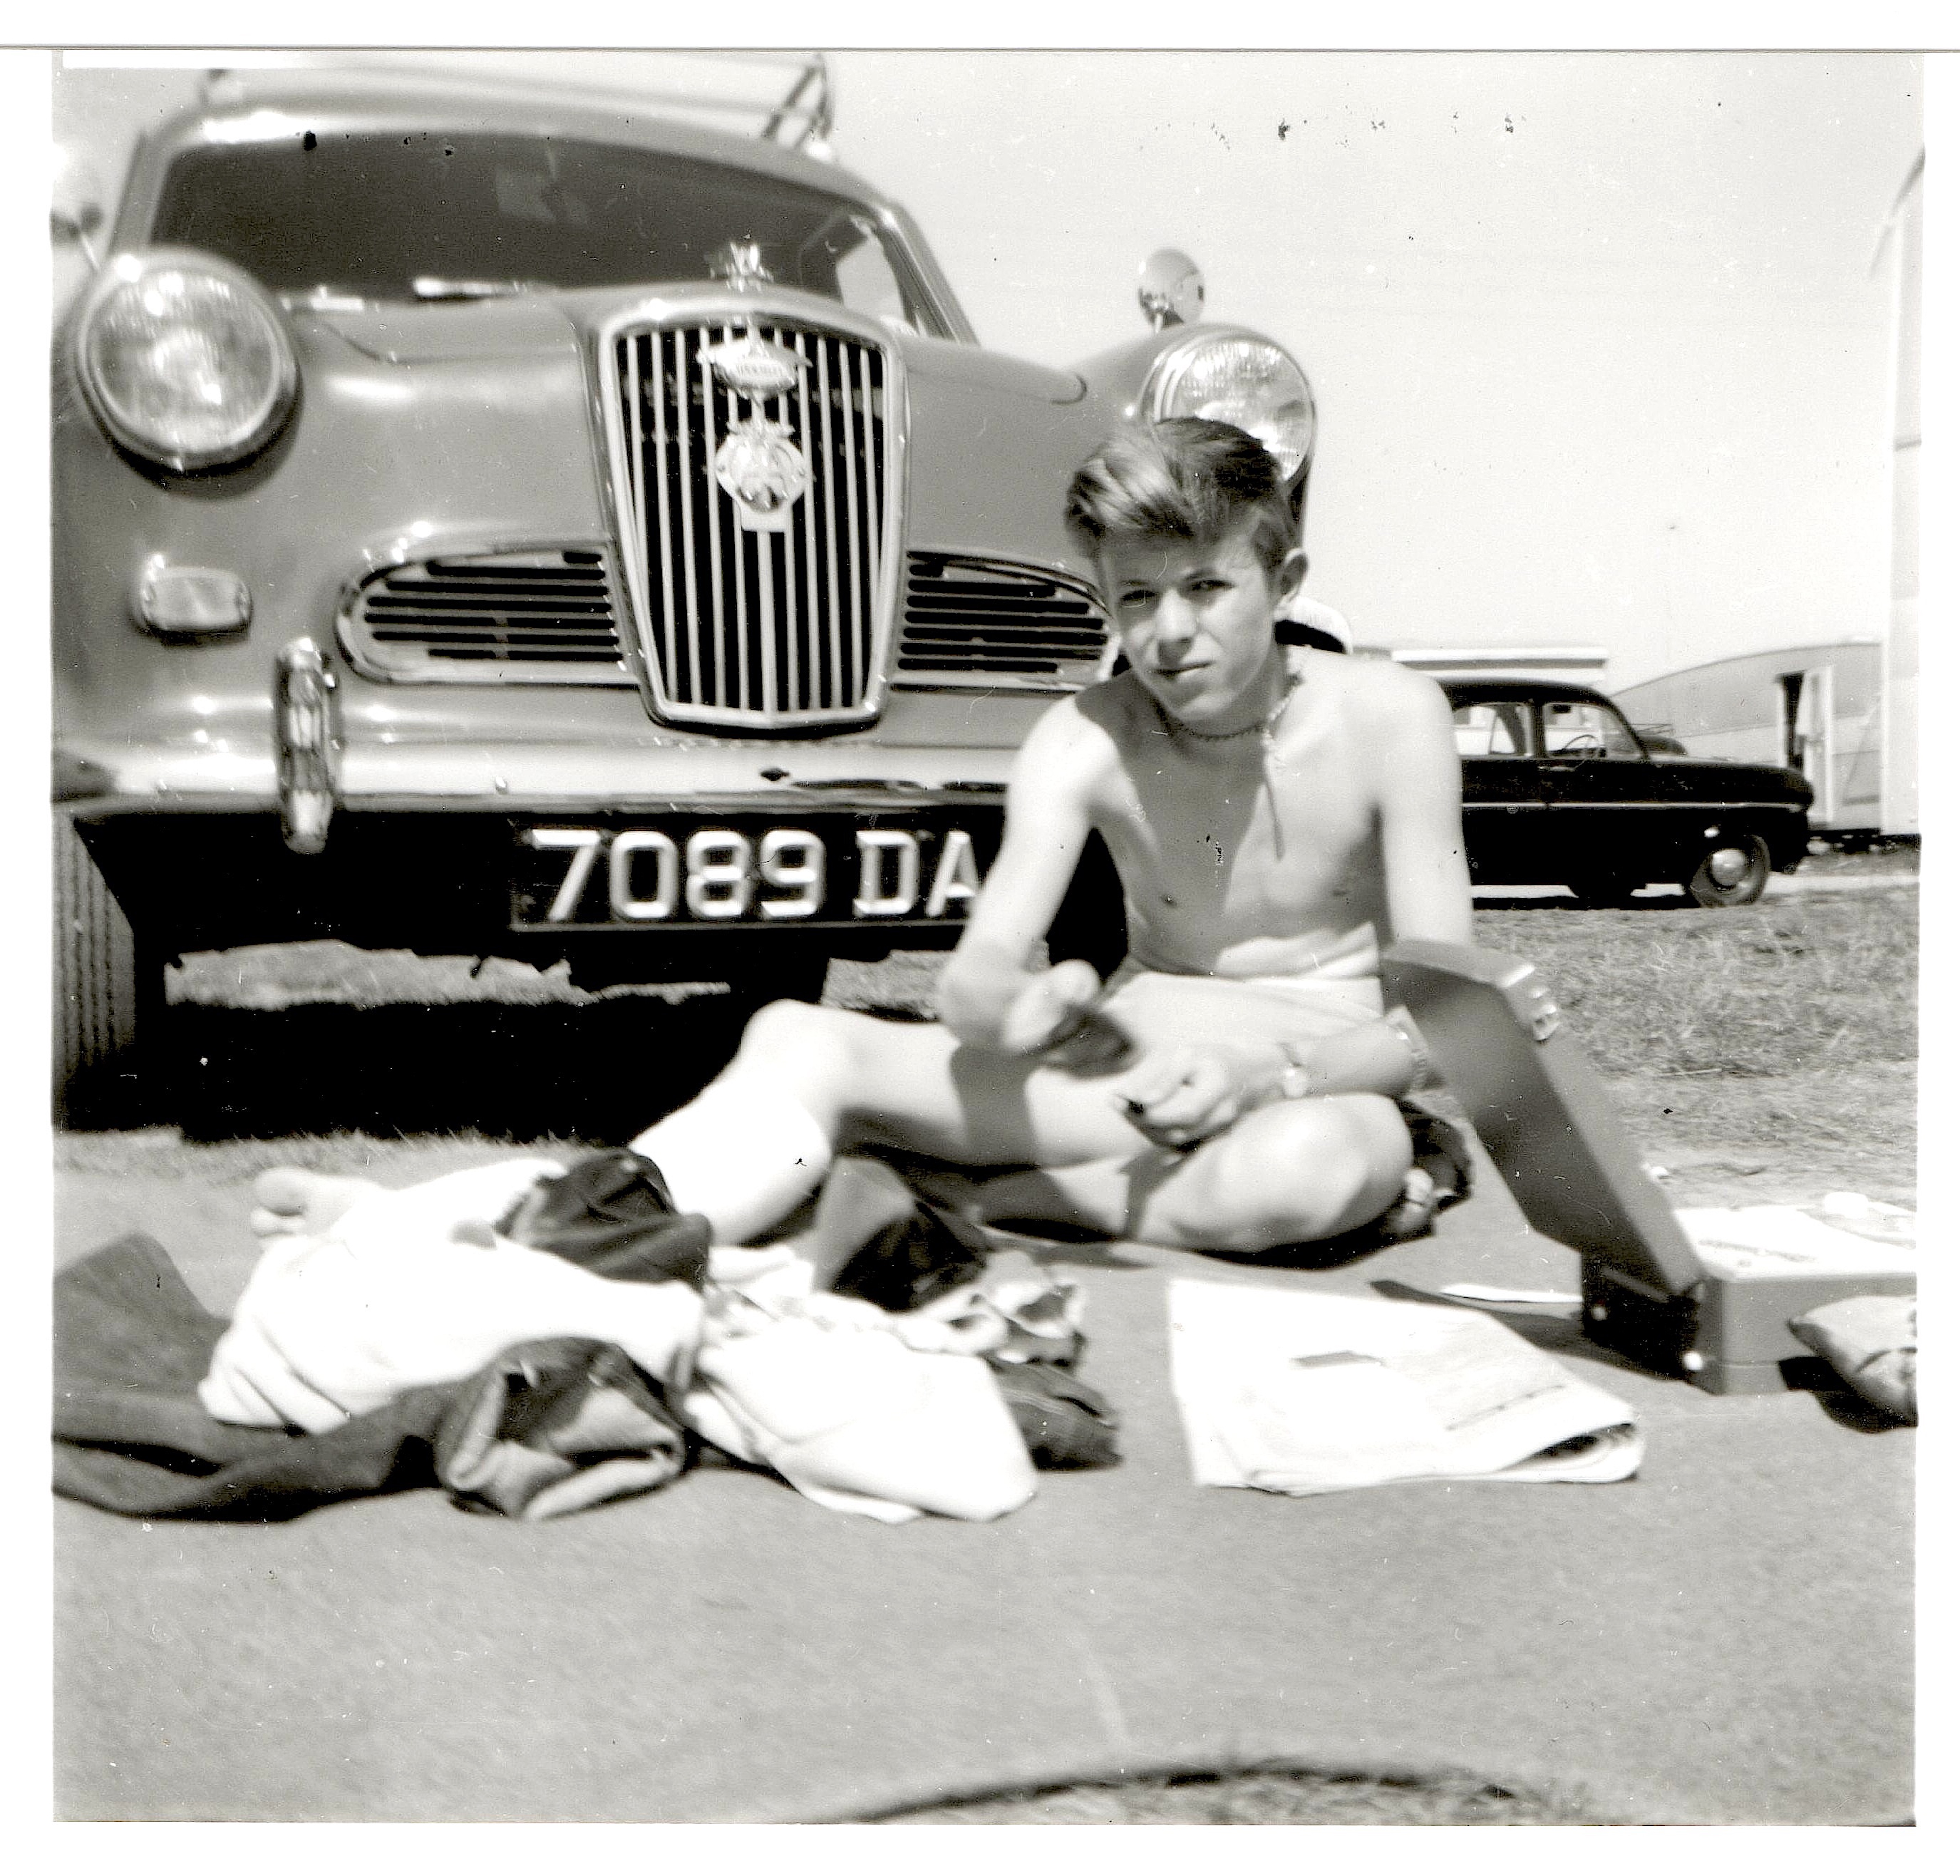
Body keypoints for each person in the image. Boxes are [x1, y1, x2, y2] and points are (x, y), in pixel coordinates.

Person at [254, 417, 1471, 1279]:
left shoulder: (1390, 716)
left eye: (1205, 588)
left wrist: (1277, 1079)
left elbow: (1449, 1019)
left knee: (1310, 1169)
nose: (1165, 634)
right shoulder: (1080, 737)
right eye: (1132, 599)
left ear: (1284, 574)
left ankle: (953, 1201)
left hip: (1311, 1088)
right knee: (798, 1039)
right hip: (1122, 1094)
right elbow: (974, 973)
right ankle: (489, 1231)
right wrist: (1014, 1000)